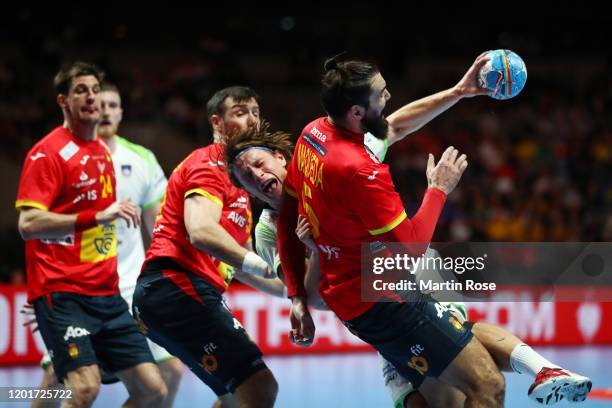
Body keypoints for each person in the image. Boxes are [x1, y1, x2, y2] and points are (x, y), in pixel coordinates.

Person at [276, 54, 592, 407]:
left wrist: (460, 91)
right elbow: (412, 249)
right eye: (381, 94)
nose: (389, 97)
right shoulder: (360, 170)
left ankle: (544, 370)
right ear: (357, 112)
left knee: (459, 337)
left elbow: (287, 216)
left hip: (369, 289)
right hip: (382, 299)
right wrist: (438, 188)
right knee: (486, 386)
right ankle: (539, 370)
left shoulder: (313, 135)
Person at [15, 62, 167, 408]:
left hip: (108, 295)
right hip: (64, 293)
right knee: (82, 389)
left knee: (152, 391)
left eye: (95, 90)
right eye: (80, 90)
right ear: (63, 101)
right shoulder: (47, 152)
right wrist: (97, 216)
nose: (91, 97)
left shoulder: (101, 151)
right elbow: (28, 224)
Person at [132, 86, 279, 408]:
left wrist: (294, 294)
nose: (252, 120)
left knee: (231, 396)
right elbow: (200, 230)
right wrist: (262, 265)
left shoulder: (240, 183)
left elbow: (242, 260)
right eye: (240, 113)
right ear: (217, 123)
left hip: (172, 295)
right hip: (175, 288)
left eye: (256, 111)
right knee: (260, 386)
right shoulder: (209, 164)